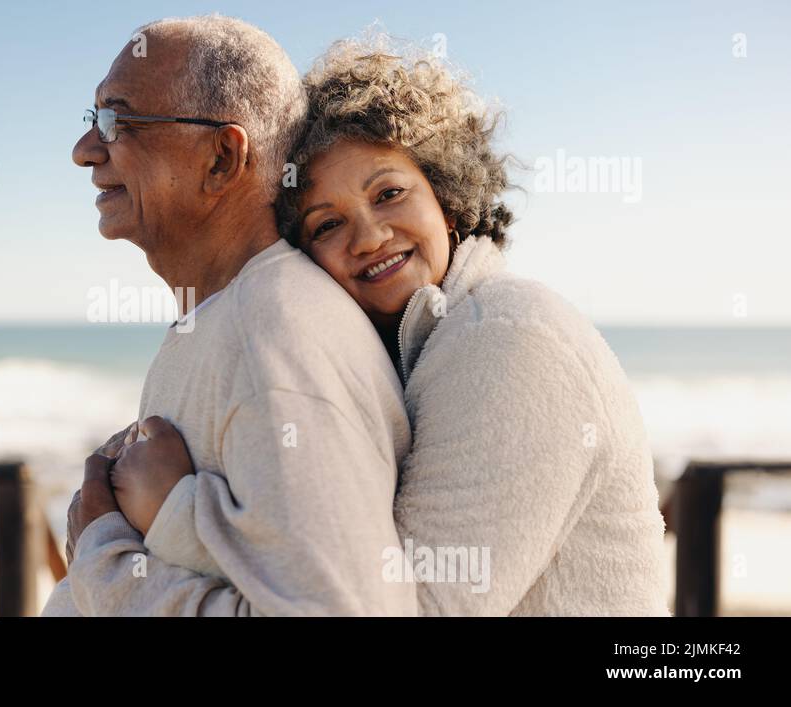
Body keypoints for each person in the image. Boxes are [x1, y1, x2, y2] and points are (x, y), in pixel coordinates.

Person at [114, 34, 670, 615]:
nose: (369, 236)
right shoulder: (419, 346)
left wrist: (171, 514)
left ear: (448, 200)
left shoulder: (508, 338)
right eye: (326, 225)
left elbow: (409, 608)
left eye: (389, 193)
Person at [40, 15, 415, 617]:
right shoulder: (230, 316)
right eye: (92, 121)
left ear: (221, 158)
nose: (85, 151)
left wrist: (102, 555)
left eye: (116, 119)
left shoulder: (273, 332)